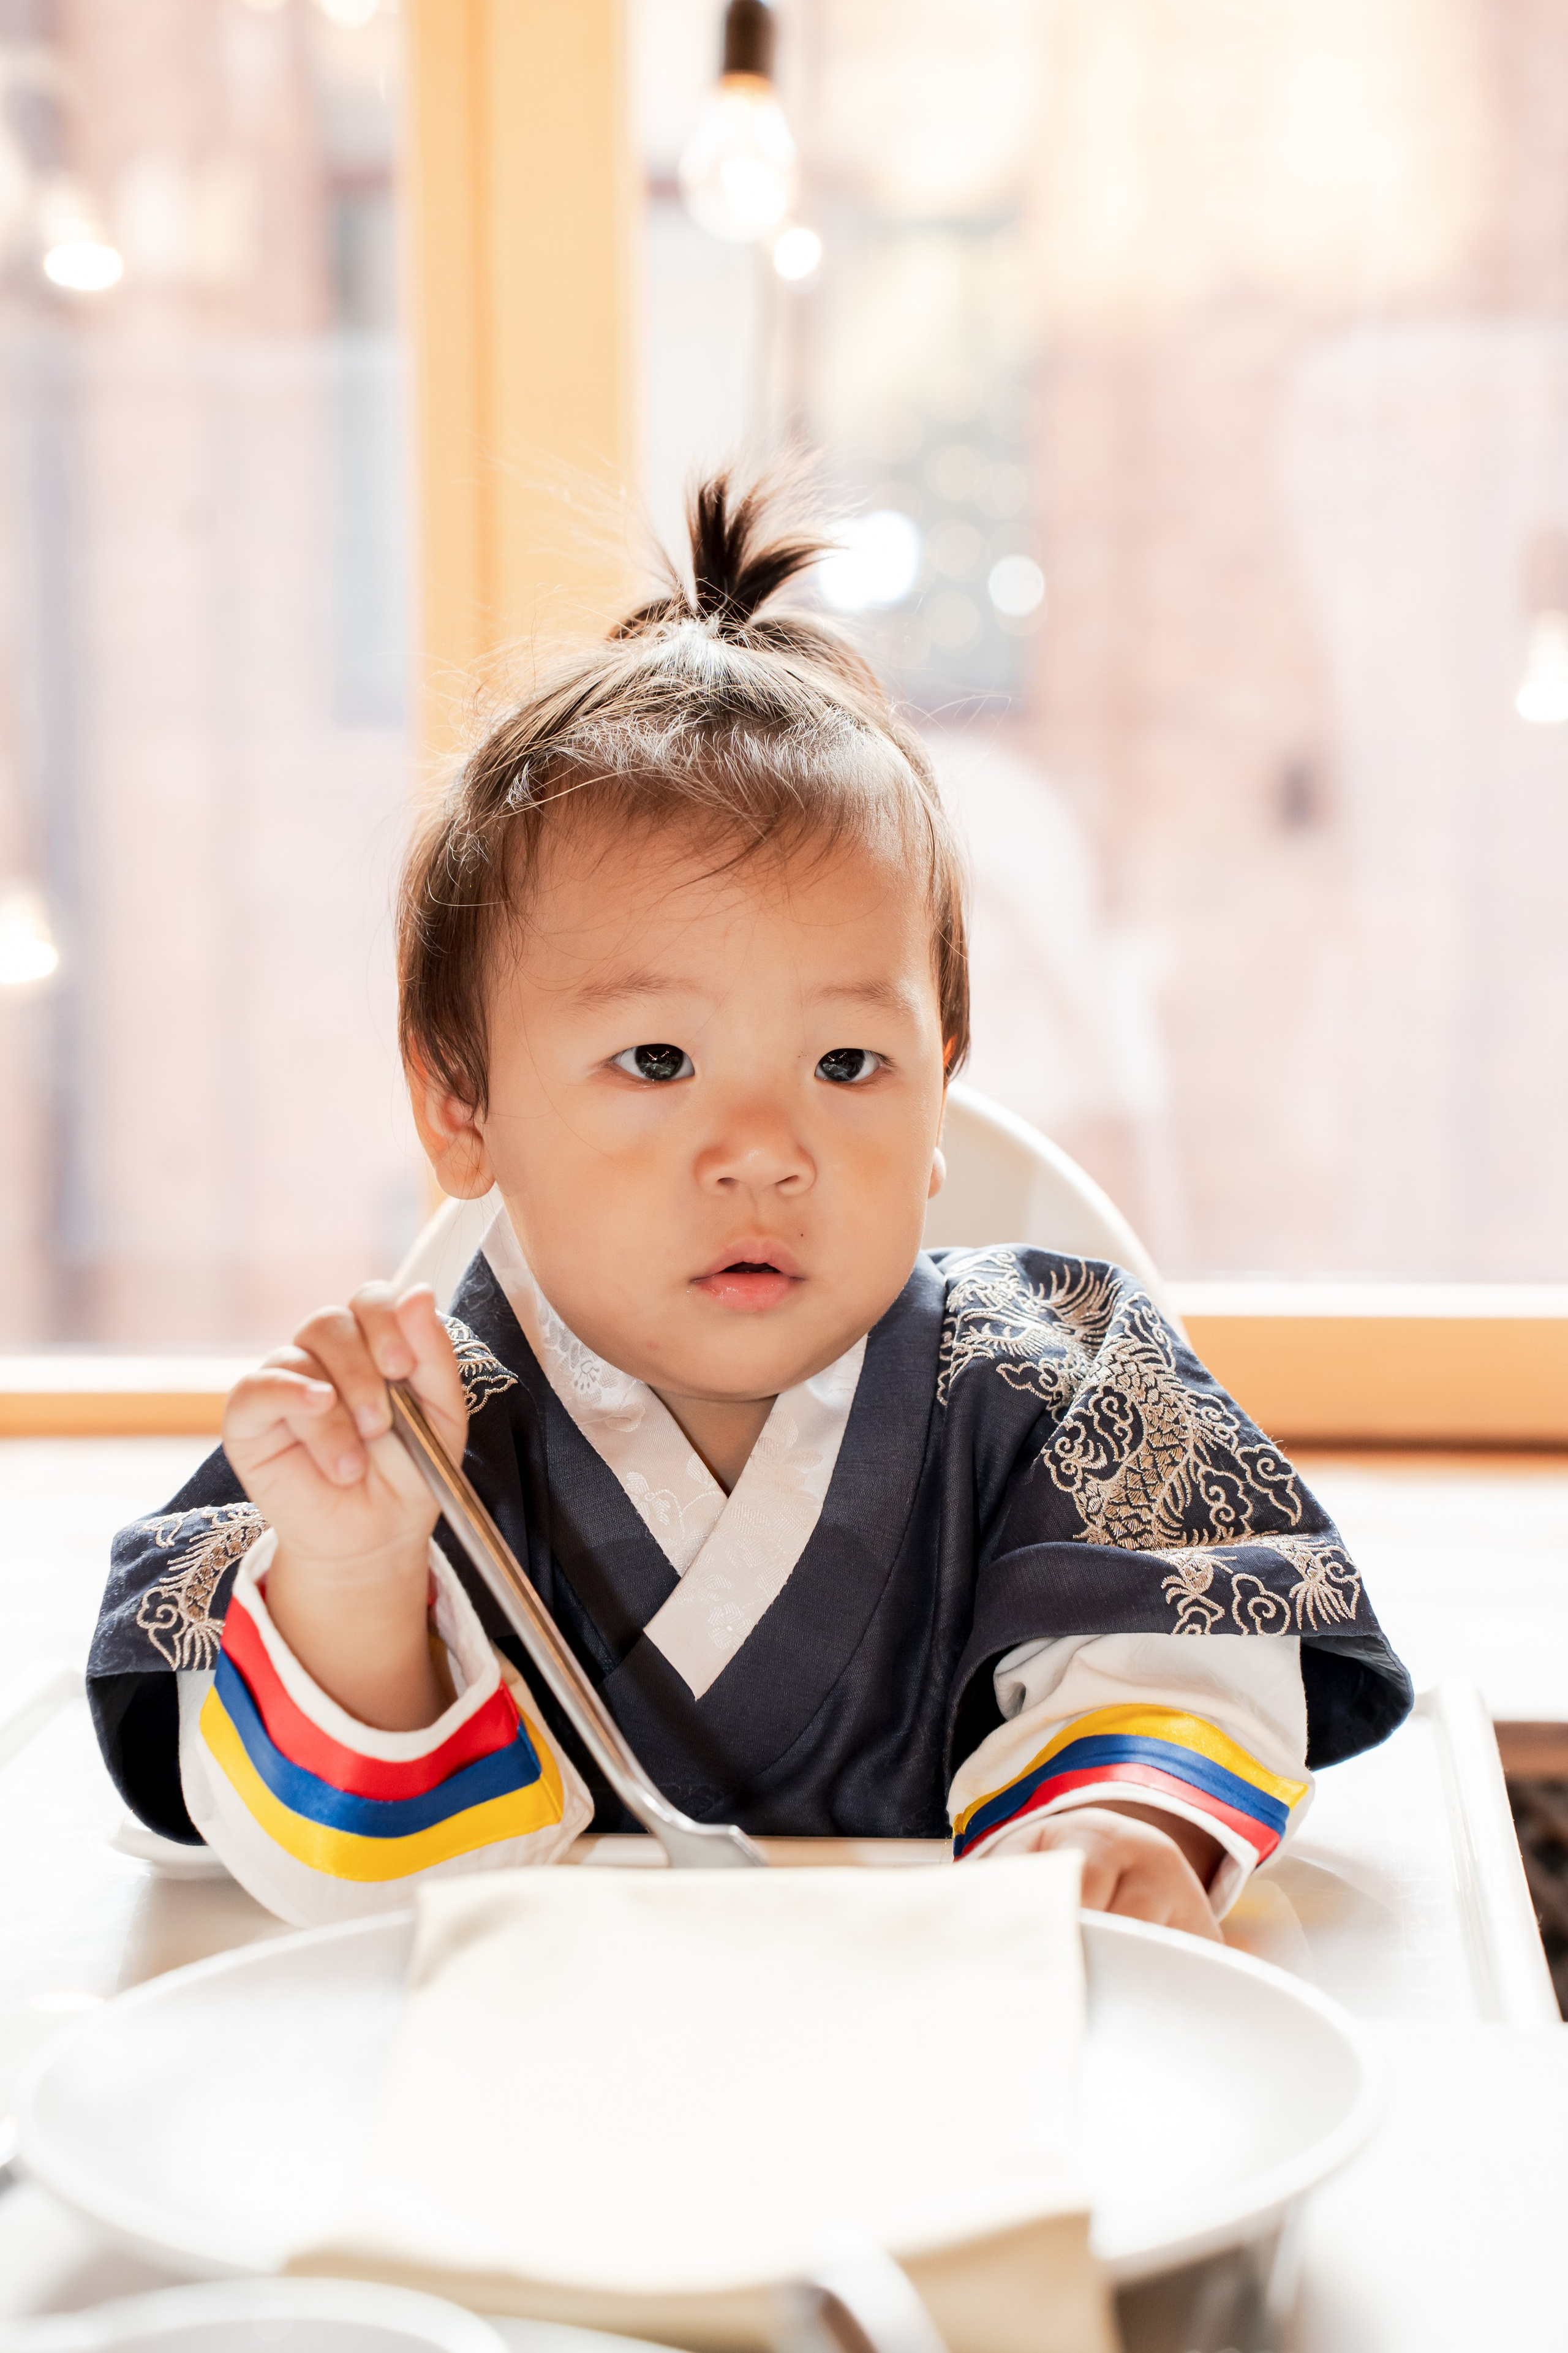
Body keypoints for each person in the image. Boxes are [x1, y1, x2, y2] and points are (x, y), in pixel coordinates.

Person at [89, 476, 1411, 1934]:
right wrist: (353, 1579)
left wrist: (1110, 1817)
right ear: (459, 1106)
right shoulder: (401, 1444)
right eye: (656, 1059)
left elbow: (1175, 1642)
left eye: (849, 1063)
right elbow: (368, 1902)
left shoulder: (1068, 1368)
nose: (765, 1149)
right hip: (534, 2100)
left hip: (959, 2067)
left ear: (936, 1099)